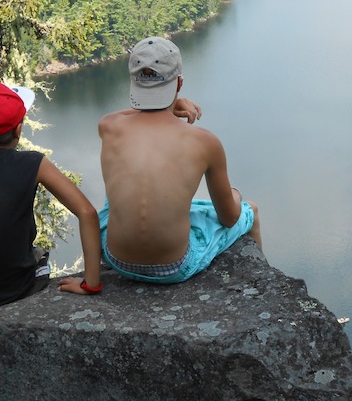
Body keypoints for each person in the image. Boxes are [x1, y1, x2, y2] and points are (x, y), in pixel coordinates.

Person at [59, 36, 262, 289]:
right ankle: (259, 283)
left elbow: (123, 114)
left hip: (116, 259)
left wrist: (167, 104)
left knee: (116, 199)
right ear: (179, 82)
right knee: (248, 210)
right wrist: (236, 195)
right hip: (175, 267)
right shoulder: (205, 142)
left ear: (133, 82)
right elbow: (229, 218)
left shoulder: (108, 126)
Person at [0, 82, 102, 307]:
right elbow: (87, 212)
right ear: (18, 130)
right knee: (39, 258)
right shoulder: (33, 164)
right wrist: (90, 284)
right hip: (12, 288)